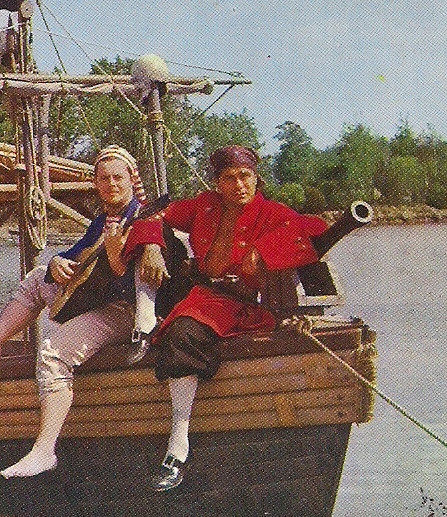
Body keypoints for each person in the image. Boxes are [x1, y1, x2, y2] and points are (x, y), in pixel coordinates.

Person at [123, 145, 328, 491]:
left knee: (183, 334)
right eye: (229, 178)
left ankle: (177, 446)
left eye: (245, 176)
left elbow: (317, 228)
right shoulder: (204, 205)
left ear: (256, 178)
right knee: (159, 244)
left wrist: (264, 250)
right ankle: (145, 324)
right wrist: (153, 247)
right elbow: (150, 214)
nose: (239, 185)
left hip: (241, 304)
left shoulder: (272, 213)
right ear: (217, 182)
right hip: (200, 294)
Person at [0, 145, 153, 478]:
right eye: (104, 179)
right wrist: (57, 262)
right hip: (98, 301)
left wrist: (116, 256)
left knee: (52, 352)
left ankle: (44, 450)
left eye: (118, 177)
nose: (111, 184)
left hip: (128, 311)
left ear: (132, 179)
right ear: (96, 184)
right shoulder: (102, 221)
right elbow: (76, 254)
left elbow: (140, 281)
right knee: (38, 275)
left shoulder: (145, 219)